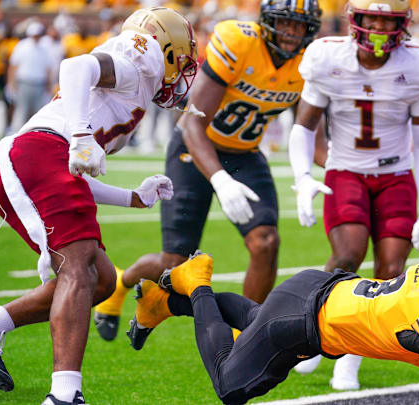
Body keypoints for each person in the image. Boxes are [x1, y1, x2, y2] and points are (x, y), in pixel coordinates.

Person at [0, 7, 197, 404]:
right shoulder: (140, 60)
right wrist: (81, 134)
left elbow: (74, 174)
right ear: (165, 48)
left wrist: (133, 197)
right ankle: (64, 395)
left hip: (44, 160)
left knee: (100, 280)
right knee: (78, 262)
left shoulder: (134, 96)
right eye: (183, 60)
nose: (184, 72)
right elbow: (76, 66)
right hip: (37, 151)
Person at [92, 0, 323, 343]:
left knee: (266, 242)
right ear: (267, 21)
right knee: (175, 261)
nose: (292, 33)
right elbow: (193, 124)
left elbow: (311, 131)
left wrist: (335, 168)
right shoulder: (239, 42)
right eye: (285, 23)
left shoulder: (310, 62)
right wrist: (219, 179)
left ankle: (247, 335)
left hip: (244, 153)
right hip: (194, 148)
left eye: (300, 26)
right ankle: (123, 283)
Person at [128, 228, 419, 405]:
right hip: (305, 321)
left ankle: (164, 304)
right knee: (230, 385)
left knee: (259, 319)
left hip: (314, 292)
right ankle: (196, 280)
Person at [286, 0, 419, 389]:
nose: (377, 26)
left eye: (386, 19)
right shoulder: (327, 58)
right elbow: (304, 126)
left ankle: (350, 358)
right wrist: (303, 177)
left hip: (395, 175)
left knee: (391, 269)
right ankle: (312, 337)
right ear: (354, 19)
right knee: (346, 256)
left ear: (401, 23)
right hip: (346, 171)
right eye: (371, 17)